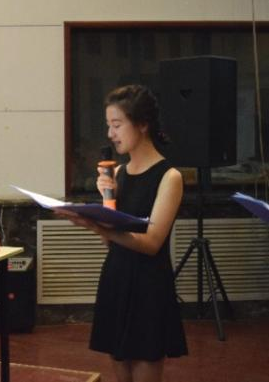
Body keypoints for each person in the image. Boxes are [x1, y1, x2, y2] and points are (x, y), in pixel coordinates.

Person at [56, 85, 188, 382]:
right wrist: (103, 206)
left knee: (145, 367)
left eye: (117, 125)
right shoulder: (117, 174)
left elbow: (152, 243)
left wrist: (95, 225)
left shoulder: (169, 177)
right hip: (116, 278)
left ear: (142, 124)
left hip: (149, 285)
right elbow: (110, 240)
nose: (110, 134)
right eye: (108, 125)